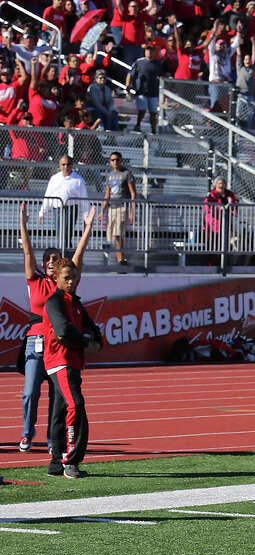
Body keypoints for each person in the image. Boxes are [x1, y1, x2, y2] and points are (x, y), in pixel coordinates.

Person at [18, 202, 93, 456]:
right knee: (30, 393)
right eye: (47, 258)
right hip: (34, 343)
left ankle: (54, 440)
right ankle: (27, 433)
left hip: (58, 347)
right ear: (43, 263)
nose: (51, 261)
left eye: (55, 258)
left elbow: (78, 258)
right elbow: (27, 253)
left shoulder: (64, 287)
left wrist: (88, 229)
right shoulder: (36, 281)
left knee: (57, 398)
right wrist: (24, 225)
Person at [44, 258, 103, 479]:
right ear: (56, 278)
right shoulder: (55, 301)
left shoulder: (75, 303)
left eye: (74, 277)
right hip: (60, 361)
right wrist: (87, 342)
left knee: (60, 411)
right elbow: (63, 331)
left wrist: (93, 340)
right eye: (66, 278)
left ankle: (56, 463)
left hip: (72, 362)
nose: (71, 282)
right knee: (75, 405)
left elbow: (93, 329)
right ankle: (70, 460)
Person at [40, 155, 88, 251]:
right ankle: (66, 255)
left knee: (66, 233)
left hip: (71, 209)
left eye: (68, 164)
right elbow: (48, 195)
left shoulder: (78, 179)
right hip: (57, 209)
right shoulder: (54, 178)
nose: (66, 167)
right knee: (59, 234)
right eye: (63, 164)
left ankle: (65, 255)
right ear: (60, 165)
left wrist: (86, 216)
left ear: (72, 165)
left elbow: (84, 199)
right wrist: (42, 212)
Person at [102, 151, 136, 270]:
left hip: (122, 206)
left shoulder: (126, 173)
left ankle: (121, 259)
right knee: (114, 235)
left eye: (117, 159)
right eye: (112, 160)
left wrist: (132, 211)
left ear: (121, 160)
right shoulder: (109, 175)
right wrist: (102, 210)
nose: (115, 162)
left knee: (119, 233)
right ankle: (119, 259)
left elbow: (133, 193)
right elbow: (107, 194)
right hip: (112, 207)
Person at [126, 43, 161, 133]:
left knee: (153, 112)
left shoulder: (157, 63)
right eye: (148, 50)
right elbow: (130, 73)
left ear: (154, 51)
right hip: (141, 90)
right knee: (142, 109)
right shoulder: (139, 62)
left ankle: (153, 130)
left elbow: (162, 75)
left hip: (153, 91)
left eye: (151, 50)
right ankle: (138, 124)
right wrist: (128, 85)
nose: (149, 52)